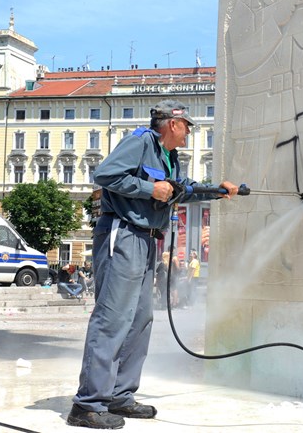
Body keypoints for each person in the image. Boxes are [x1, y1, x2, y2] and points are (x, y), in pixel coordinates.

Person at [67, 99, 239, 429]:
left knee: (141, 317)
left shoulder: (169, 157)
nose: (189, 132)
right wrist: (149, 189)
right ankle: (87, 403)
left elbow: (178, 191)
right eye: (187, 126)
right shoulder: (140, 141)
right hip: (123, 232)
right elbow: (105, 175)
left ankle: (119, 396)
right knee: (113, 316)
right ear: (173, 124)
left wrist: (219, 191)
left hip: (147, 239)